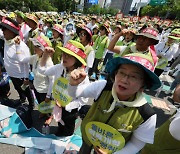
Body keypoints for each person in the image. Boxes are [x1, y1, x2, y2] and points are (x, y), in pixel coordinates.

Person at [68, 53, 161, 154]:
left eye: (133, 76)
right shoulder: (102, 87)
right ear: (115, 74)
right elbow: (75, 94)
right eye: (122, 73)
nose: (124, 80)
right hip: (88, 138)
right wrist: (73, 84)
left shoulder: (146, 115)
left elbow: (136, 144)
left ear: (143, 84)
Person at [39, 40, 89, 136]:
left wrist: (66, 106)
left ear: (77, 59)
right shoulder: (60, 67)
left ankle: (66, 137)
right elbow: (43, 71)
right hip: (57, 103)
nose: (65, 57)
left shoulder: (82, 77)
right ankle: (60, 131)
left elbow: (83, 100)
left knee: (68, 126)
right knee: (59, 122)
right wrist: (45, 56)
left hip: (71, 109)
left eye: (69, 55)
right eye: (64, 54)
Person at [0, 17, 33, 108]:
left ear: (11, 31)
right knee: (18, 88)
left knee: (26, 90)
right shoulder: (6, 41)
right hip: (12, 74)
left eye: (4, 29)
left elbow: (26, 63)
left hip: (21, 76)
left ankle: (31, 104)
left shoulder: (21, 46)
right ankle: (22, 99)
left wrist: (26, 77)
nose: (3, 31)